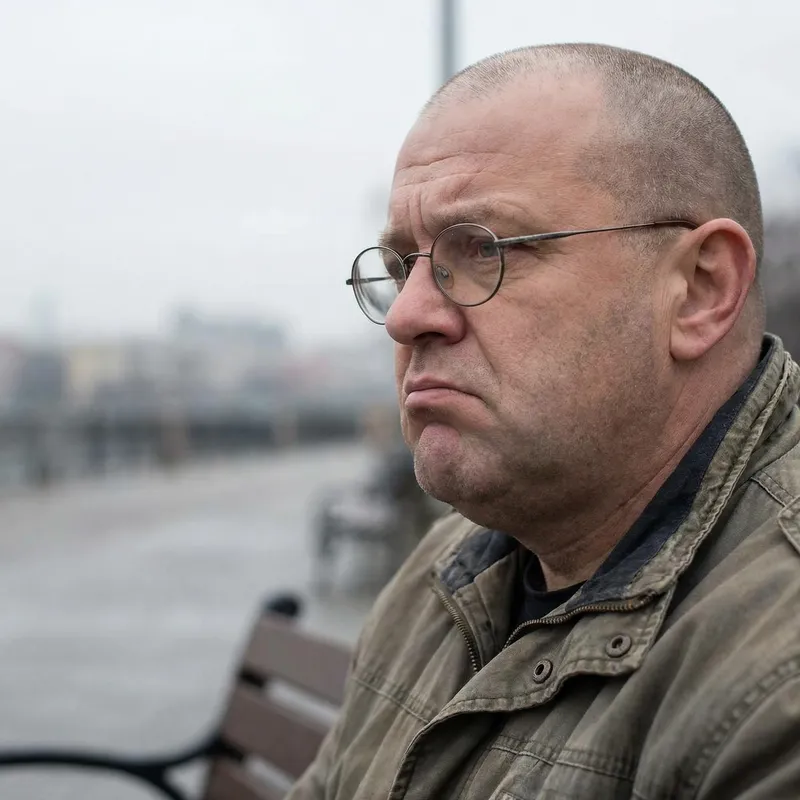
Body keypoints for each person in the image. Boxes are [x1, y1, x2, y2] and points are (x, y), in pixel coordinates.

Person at [288, 43, 800, 799]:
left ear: (698, 290)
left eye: (483, 251)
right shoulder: (445, 574)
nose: (407, 317)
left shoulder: (772, 677)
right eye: (402, 267)